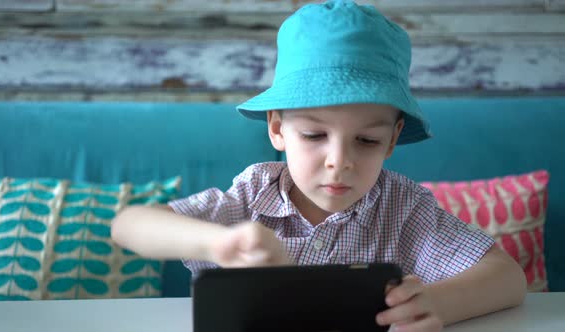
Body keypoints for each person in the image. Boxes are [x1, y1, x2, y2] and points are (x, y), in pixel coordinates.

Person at [112, 1, 526, 331]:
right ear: (277, 128)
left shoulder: (403, 207)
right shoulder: (253, 195)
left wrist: (436, 302)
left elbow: (508, 277)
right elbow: (128, 224)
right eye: (314, 136)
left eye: (367, 140)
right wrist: (214, 243)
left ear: (393, 140)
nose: (339, 162)